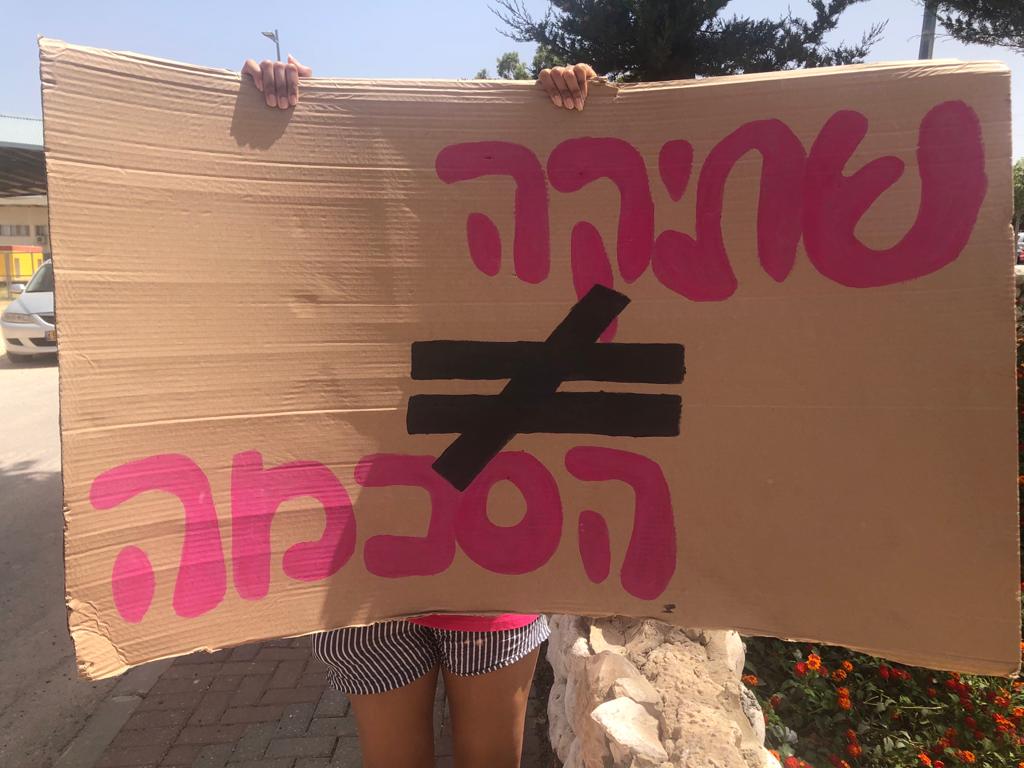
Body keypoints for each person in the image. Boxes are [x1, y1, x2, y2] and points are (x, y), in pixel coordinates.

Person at [239, 56, 598, 768]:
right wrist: (270, 107)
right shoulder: (330, 289)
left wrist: (564, 110)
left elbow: (587, 263)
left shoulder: (516, 286)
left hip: (487, 561)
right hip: (370, 571)